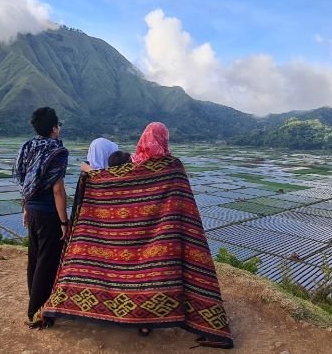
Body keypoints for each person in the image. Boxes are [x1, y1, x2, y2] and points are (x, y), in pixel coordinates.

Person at [43, 122, 234, 348]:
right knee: (156, 275)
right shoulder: (173, 167)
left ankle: (139, 319)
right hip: (163, 237)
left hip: (126, 241)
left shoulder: (134, 165)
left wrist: (88, 173)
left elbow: (106, 178)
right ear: (164, 140)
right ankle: (151, 321)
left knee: (132, 277)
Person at [13, 107, 69, 329]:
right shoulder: (57, 152)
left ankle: (36, 307)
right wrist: (64, 221)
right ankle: (39, 312)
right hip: (48, 213)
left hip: (33, 210)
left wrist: (26, 206)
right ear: (54, 129)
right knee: (47, 263)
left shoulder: (28, 146)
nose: (60, 128)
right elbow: (58, 190)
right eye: (59, 125)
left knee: (35, 260)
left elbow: (24, 179)